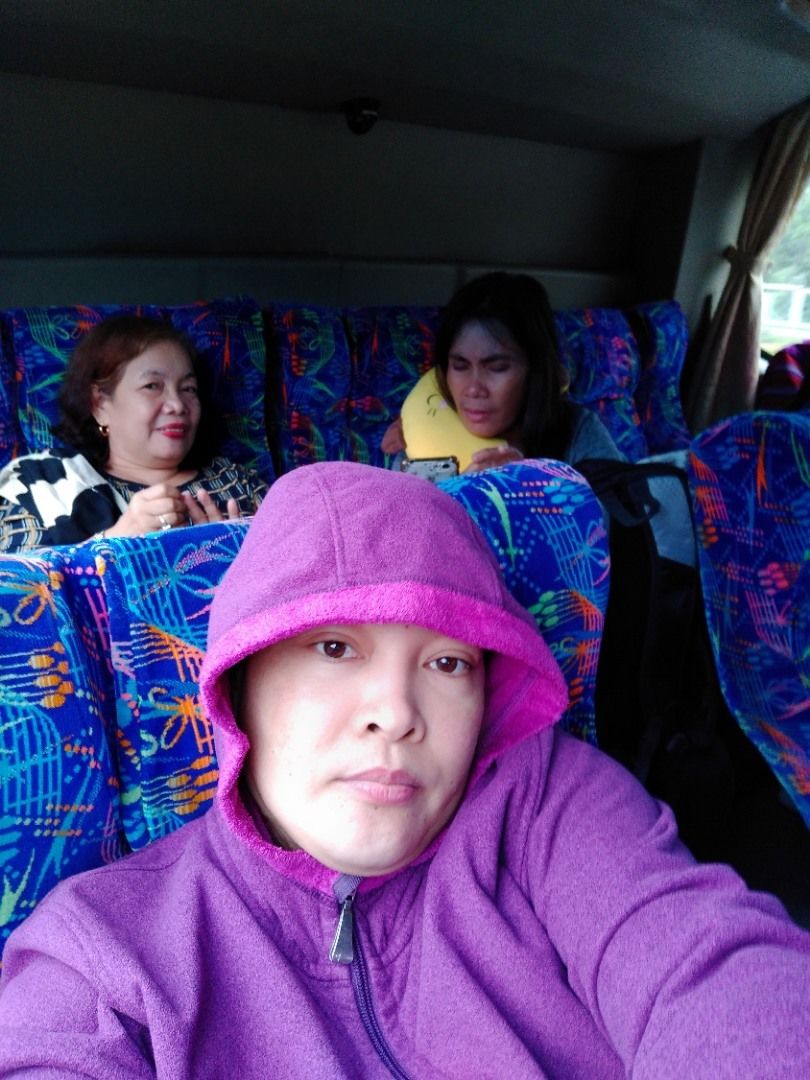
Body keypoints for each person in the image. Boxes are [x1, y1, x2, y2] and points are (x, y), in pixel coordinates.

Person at [0, 460, 808, 1078]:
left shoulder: (549, 805)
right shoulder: (102, 953)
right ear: (240, 682)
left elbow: (717, 971)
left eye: (448, 662)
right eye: (333, 647)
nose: (396, 712)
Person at [0, 314, 269, 551]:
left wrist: (241, 561)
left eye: (188, 389)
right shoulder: (40, 486)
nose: (177, 404)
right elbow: (18, 586)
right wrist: (117, 541)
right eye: (152, 386)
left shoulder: (237, 483)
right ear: (99, 405)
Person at [382, 271, 624, 471]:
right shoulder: (421, 433)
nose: (473, 389)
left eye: (496, 368)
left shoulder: (577, 432)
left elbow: (617, 510)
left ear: (534, 371)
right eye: (460, 366)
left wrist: (529, 490)